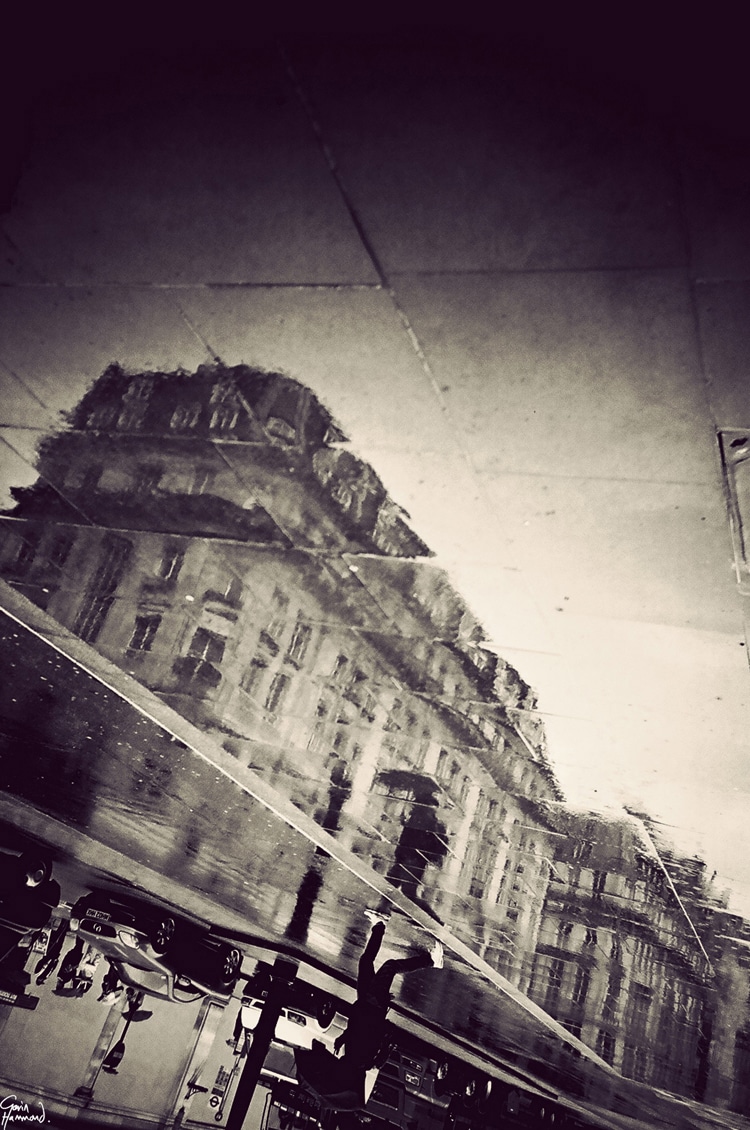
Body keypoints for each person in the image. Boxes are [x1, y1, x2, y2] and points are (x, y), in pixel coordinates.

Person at [333, 910, 443, 1070]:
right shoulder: (361, 1060)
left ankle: (379, 924)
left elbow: (354, 1031)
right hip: (373, 1005)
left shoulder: (351, 1057)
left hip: (364, 1002)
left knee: (365, 961)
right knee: (390, 967)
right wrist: (381, 1006)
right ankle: (432, 961)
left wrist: (342, 1038)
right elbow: (370, 1034)